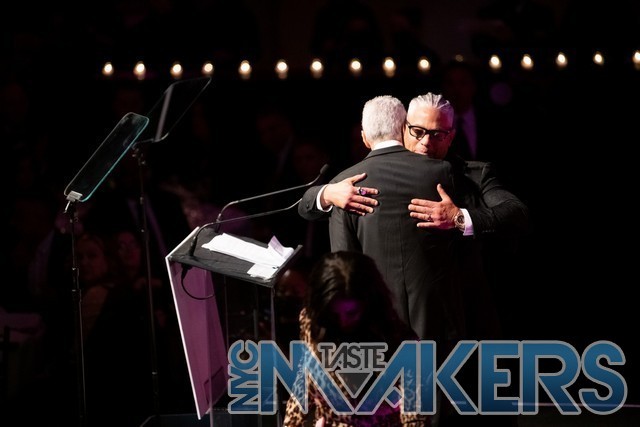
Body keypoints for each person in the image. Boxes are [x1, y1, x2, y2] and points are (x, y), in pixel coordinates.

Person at [299, 95, 465, 345]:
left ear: (365, 138)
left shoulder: (343, 186)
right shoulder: (441, 172)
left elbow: (345, 262)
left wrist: (326, 192)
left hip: (376, 324)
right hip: (436, 319)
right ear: (403, 129)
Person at [283, 251, 427, 427]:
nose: (343, 322)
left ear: (370, 304)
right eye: (334, 315)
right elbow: (303, 384)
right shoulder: (314, 324)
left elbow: (415, 418)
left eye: (352, 313)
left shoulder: (401, 343)